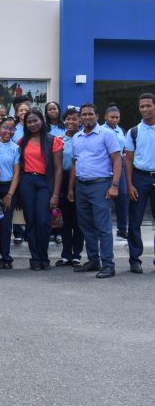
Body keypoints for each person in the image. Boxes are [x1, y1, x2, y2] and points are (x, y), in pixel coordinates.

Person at [68, 103, 121, 278]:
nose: (87, 117)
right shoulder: (77, 137)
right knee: (85, 225)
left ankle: (108, 264)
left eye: (90, 114)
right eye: (84, 114)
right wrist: (71, 188)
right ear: (80, 117)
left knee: (103, 227)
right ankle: (93, 260)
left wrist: (114, 185)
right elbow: (75, 163)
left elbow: (117, 160)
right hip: (81, 186)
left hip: (100, 185)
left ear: (97, 116)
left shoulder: (107, 134)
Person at [15, 109, 63, 270]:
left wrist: (55, 194)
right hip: (27, 181)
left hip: (45, 182)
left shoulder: (53, 141)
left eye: (35, 120)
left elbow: (58, 169)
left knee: (43, 221)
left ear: (42, 121)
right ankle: (35, 258)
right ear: (25, 124)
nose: (33, 124)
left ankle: (44, 256)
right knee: (30, 222)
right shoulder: (22, 142)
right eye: (29, 122)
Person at [126, 92, 155, 274]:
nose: (144, 109)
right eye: (141, 106)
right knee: (135, 221)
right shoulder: (134, 131)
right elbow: (128, 159)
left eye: (148, 106)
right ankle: (135, 259)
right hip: (139, 178)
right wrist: (129, 184)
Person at [0, 117, 21, 269]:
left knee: (5, 225)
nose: (8, 131)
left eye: (11, 129)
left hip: (8, 188)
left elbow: (16, 173)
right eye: (5, 128)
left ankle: (6, 257)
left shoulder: (15, 148)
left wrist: (10, 194)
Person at [55, 108, 83, 267]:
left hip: (80, 179)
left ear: (80, 121)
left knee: (79, 220)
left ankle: (77, 254)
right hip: (63, 179)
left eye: (74, 119)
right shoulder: (58, 139)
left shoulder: (82, 138)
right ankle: (66, 255)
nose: (70, 122)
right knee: (64, 219)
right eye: (67, 119)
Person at [104, 105, 129, 239]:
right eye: (112, 117)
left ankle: (122, 228)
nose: (114, 120)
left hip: (121, 166)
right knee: (105, 197)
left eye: (117, 117)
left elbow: (124, 148)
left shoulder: (122, 130)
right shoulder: (101, 130)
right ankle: (104, 228)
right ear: (105, 117)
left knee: (123, 196)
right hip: (106, 167)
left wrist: (123, 155)